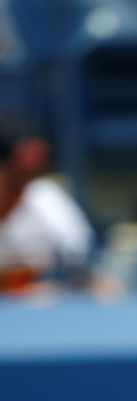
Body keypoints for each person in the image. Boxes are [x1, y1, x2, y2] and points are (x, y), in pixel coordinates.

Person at [0, 117, 95, 294]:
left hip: (42, 301)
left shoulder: (45, 197)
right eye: (15, 171)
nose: (23, 180)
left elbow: (78, 259)